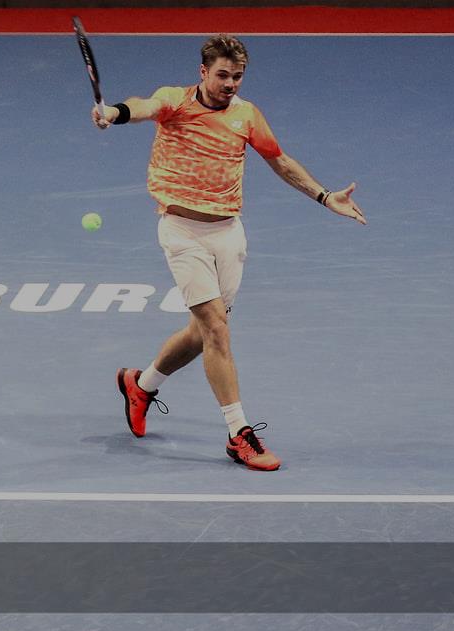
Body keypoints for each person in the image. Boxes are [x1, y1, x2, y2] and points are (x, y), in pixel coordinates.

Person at [92, 34, 366, 471]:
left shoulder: (246, 115)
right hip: (182, 233)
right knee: (217, 330)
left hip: (228, 235)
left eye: (237, 76)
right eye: (222, 75)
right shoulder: (175, 101)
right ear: (203, 72)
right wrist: (114, 113)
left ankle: (140, 385)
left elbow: (279, 160)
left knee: (200, 335)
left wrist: (323, 195)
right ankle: (240, 435)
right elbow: (143, 106)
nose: (230, 84)